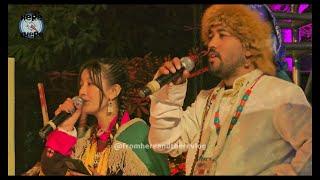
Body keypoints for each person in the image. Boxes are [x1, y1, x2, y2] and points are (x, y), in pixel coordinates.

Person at [148, 4, 311, 175]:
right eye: (210, 36)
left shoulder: (280, 93)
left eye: (222, 35)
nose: (211, 44)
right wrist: (168, 95)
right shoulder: (206, 100)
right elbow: (165, 143)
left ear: (249, 48)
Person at [39, 58, 169, 176]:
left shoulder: (138, 135)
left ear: (113, 91)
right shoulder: (87, 141)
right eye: (81, 85)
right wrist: (65, 127)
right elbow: (51, 170)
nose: (82, 92)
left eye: (90, 84)